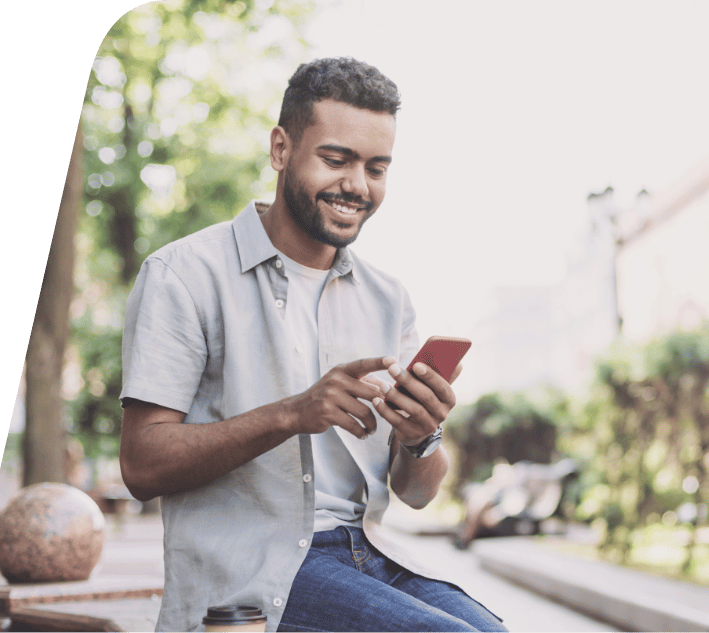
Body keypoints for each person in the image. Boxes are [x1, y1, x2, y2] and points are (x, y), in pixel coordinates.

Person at [119, 57, 507, 633]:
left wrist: (421, 436)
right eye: (336, 160)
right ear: (280, 150)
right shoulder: (184, 274)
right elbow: (142, 464)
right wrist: (291, 414)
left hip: (370, 556)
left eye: (377, 167)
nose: (357, 185)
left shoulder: (387, 298)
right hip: (252, 573)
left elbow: (417, 494)